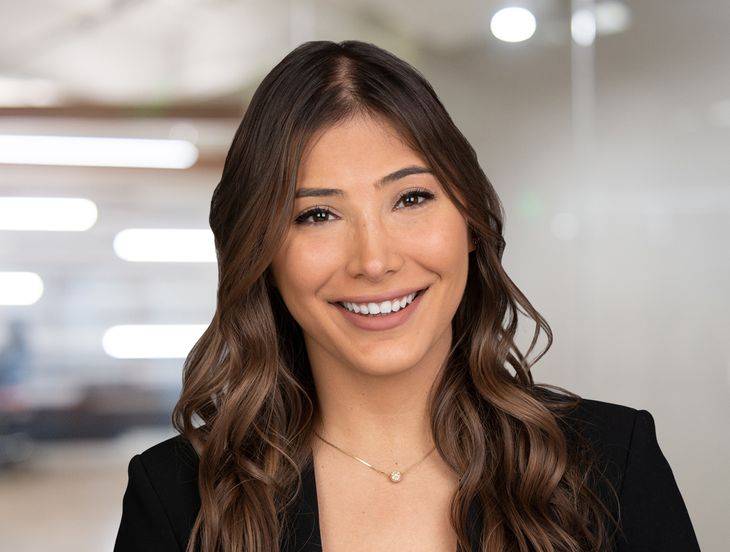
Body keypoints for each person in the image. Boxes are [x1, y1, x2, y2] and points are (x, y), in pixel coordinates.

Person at [114, 40, 700, 552]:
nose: (374, 261)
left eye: (411, 199)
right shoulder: (177, 498)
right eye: (317, 214)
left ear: (470, 222)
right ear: (263, 255)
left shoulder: (611, 462)